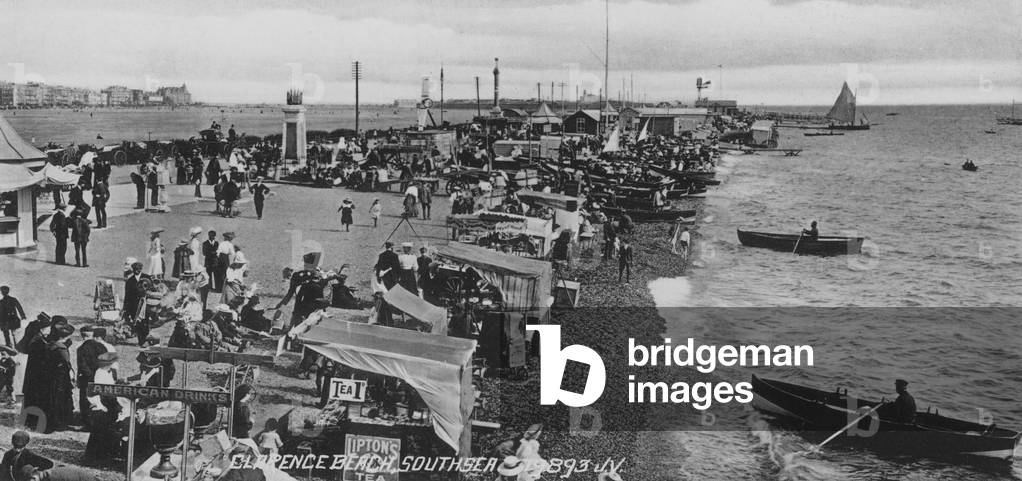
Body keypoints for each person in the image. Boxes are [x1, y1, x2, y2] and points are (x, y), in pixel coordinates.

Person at [41, 322, 75, 433]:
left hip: (50, 376)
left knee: (51, 399)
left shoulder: (50, 345)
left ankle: (50, 423)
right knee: (60, 400)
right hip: (61, 377)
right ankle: (59, 423)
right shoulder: (62, 348)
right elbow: (67, 364)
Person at [75, 326, 105, 428]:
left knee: (85, 400)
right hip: (101, 377)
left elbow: (82, 366)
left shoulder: (81, 349)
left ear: (82, 336)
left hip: (86, 379)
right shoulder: (102, 347)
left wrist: (90, 376)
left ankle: (87, 423)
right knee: (100, 399)